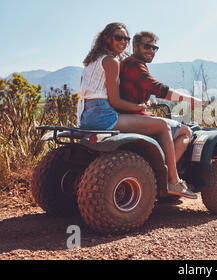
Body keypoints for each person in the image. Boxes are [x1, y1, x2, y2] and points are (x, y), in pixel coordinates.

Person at [78, 23, 199, 199]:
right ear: (106, 38)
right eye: (118, 37)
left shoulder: (91, 62)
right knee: (163, 125)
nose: (123, 42)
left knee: (161, 125)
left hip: (85, 116)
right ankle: (173, 181)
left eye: (126, 38)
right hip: (103, 116)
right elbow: (115, 101)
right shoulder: (111, 62)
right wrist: (139, 107)